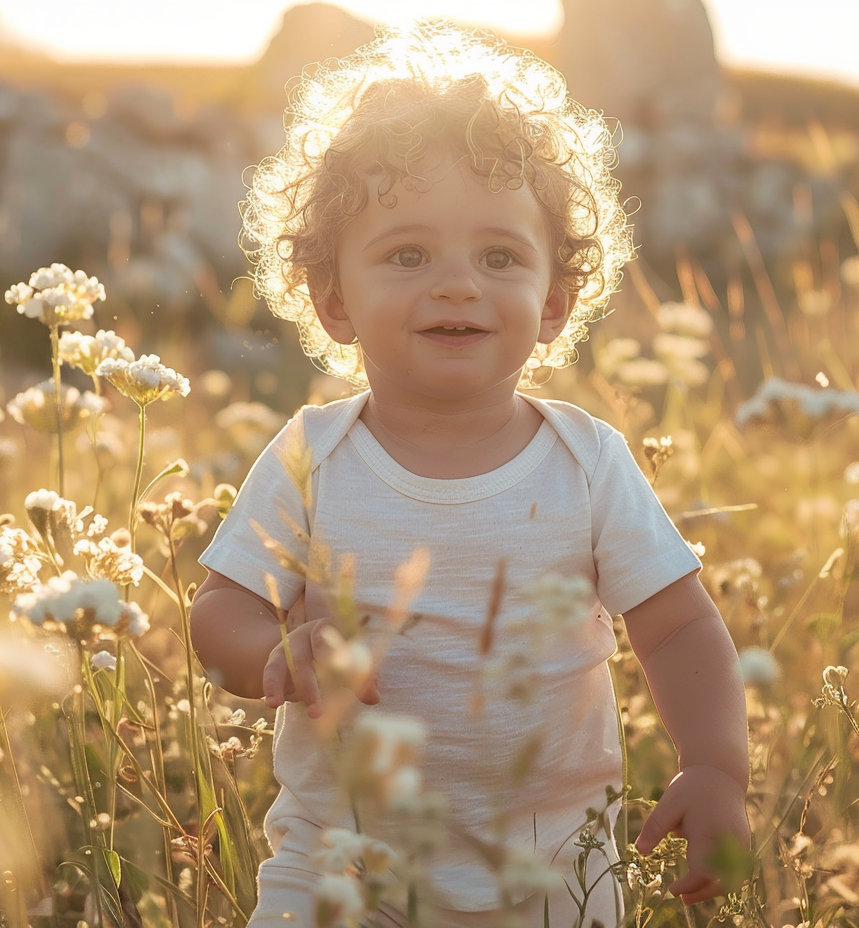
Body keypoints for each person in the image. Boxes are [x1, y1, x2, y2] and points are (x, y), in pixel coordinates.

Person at [190, 23, 750, 928]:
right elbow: (219, 608)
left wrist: (716, 765)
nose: (458, 285)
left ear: (553, 302)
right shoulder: (312, 455)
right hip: (339, 873)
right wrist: (271, 652)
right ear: (334, 299)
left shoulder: (587, 461)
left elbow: (680, 625)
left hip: (553, 877)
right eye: (408, 255)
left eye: (500, 257)